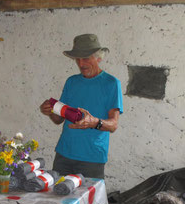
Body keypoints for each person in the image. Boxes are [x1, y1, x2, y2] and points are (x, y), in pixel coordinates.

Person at [40, 33, 123, 179]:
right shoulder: (72, 82)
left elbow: (113, 125)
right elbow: (59, 119)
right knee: (57, 199)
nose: (81, 64)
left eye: (85, 58)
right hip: (64, 154)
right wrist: (50, 111)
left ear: (99, 57)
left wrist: (94, 123)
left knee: (90, 201)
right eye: (77, 59)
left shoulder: (111, 84)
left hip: (91, 158)